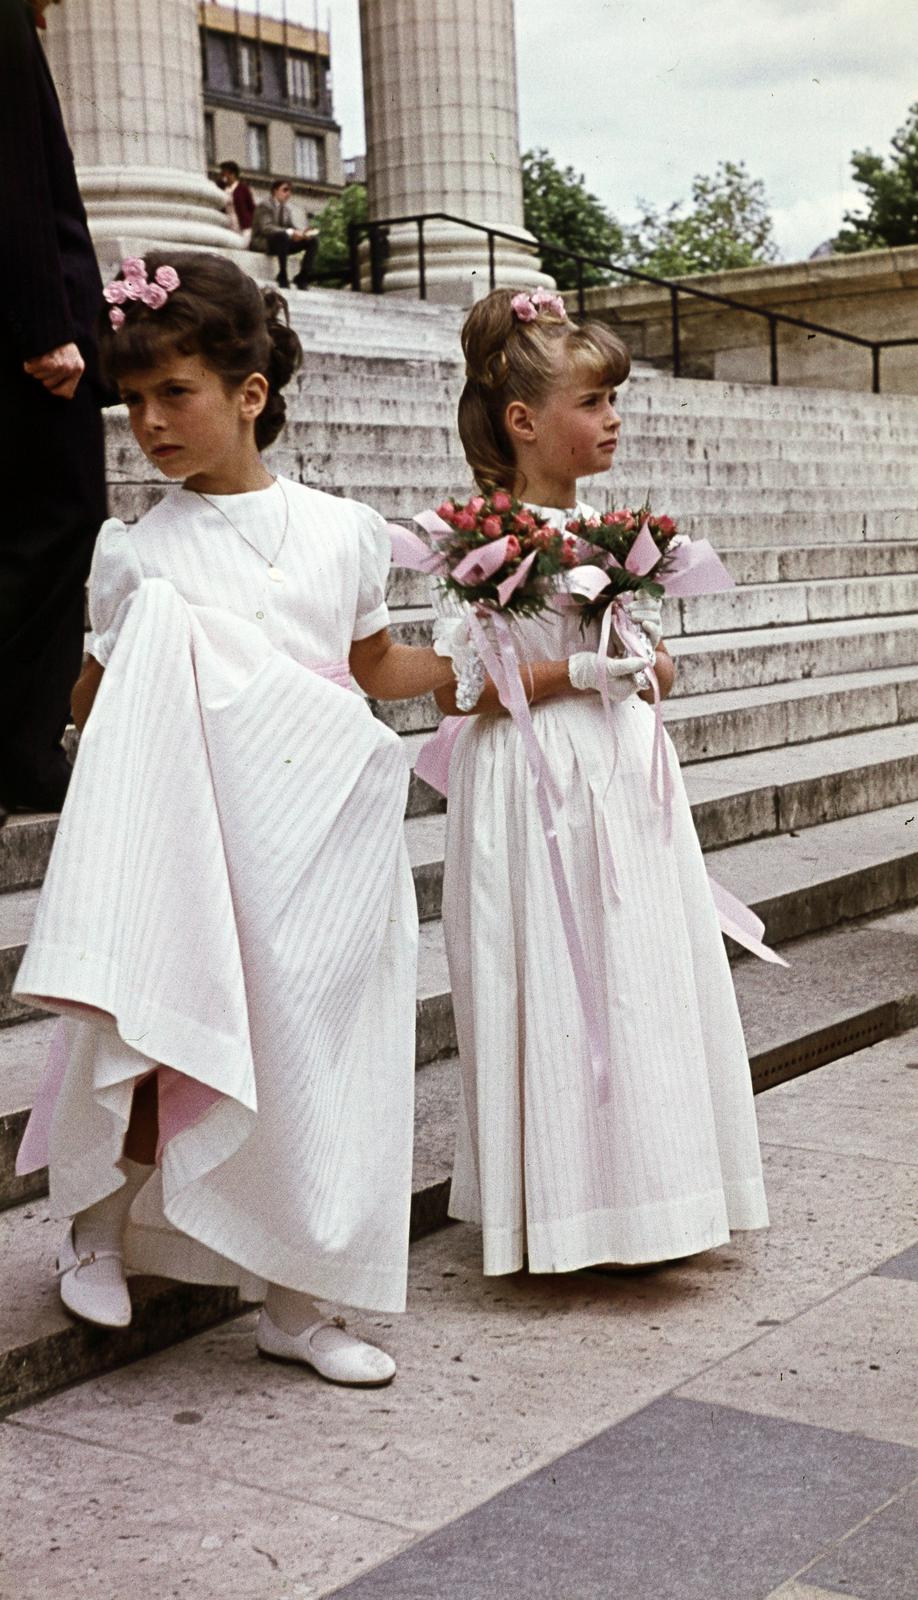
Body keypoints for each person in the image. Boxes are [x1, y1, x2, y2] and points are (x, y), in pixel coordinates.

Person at [14, 252, 458, 1386]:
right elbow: (98, 694)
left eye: (177, 394)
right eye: (134, 402)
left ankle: (300, 1299)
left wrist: (473, 661)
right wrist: (104, 670)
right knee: (161, 1029)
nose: (150, 423)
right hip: (198, 833)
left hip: (319, 831)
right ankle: (97, 1229)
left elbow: (369, 663)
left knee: (319, 1048)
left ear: (249, 394)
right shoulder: (136, 549)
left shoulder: (344, 530)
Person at [430, 286, 769, 1278]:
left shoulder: (614, 532)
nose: (612, 419)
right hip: (540, 777)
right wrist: (579, 672)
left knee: (636, 971)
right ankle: (568, 1205)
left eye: (614, 400)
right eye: (592, 402)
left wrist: (644, 662)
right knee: (557, 965)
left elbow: (647, 655)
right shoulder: (490, 539)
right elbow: (471, 684)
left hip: (620, 769)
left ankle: (653, 1189)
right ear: (524, 421)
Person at [0, 0, 107, 816]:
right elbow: (14, 166)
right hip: (30, 340)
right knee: (54, 526)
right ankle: (23, 754)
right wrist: (45, 324)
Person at [250, 178, 318, 289]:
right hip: (263, 242)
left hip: (281, 243)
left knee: (313, 240)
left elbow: (290, 227)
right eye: (285, 190)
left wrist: (302, 233)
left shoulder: (286, 209)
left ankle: (303, 277)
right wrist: (291, 232)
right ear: (275, 191)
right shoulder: (265, 205)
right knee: (283, 236)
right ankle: (282, 275)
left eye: (290, 191)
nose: (288, 194)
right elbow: (266, 228)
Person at [217, 160, 255, 240]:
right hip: (228, 222)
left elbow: (251, 207)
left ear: (232, 174)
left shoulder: (242, 189)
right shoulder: (222, 188)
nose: (222, 176)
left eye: (224, 173)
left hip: (242, 224)